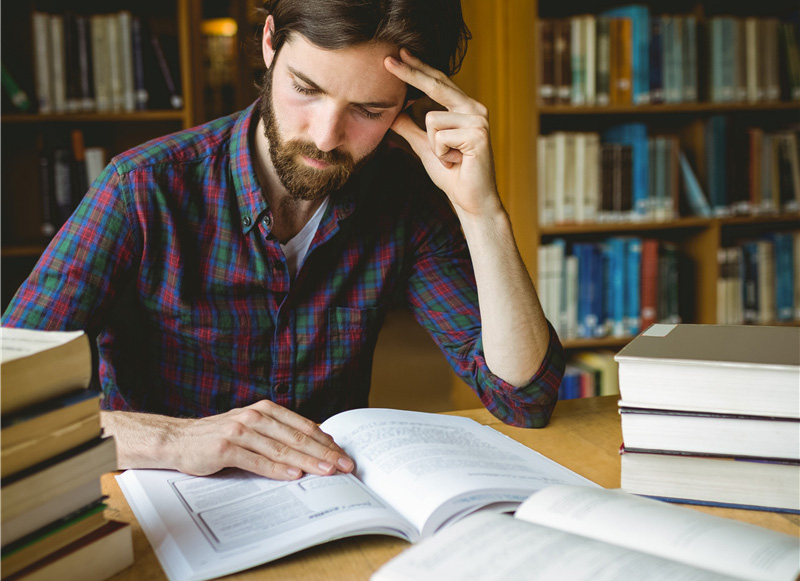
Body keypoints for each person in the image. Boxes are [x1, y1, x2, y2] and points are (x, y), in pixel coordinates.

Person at [2, 0, 564, 481]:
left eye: (370, 110)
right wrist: (176, 440)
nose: (325, 136)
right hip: (164, 515)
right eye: (306, 89)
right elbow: (8, 401)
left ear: (409, 106)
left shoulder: (403, 196)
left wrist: (481, 211)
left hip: (329, 512)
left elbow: (522, 397)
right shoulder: (143, 189)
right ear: (270, 42)